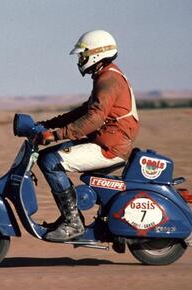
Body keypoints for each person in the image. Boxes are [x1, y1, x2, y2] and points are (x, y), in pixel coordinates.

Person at [35, 29, 140, 242]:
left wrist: (56, 135)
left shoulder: (109, 78)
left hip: (109, 147)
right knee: (50, 156)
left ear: (97, 53)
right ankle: (71, 218)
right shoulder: (106, 75)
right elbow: (85, 111)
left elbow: (94, 119)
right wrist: (48, 124)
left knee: (49, 160)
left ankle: (73, 222)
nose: (81, 60)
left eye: (83, 54)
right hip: (104, 141)